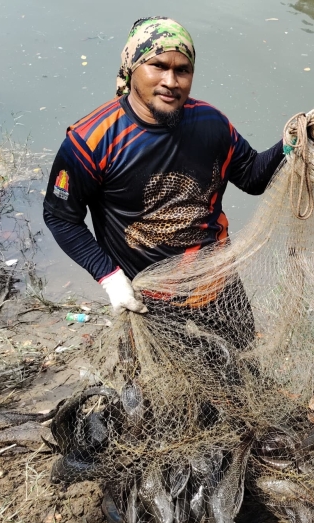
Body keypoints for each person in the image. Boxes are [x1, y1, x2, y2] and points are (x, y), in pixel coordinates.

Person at [43, 17, 284, 321]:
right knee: (153, 368)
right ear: (132, 69)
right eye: (158, 66)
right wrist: (109, 277)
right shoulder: (90, 141)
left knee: (241, 363)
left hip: (218, 284)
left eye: (182, 70)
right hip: (149, 299)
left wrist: (294, 141)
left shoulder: (211, 123)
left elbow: (251, 176)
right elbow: (60, 217)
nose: (171, 82)